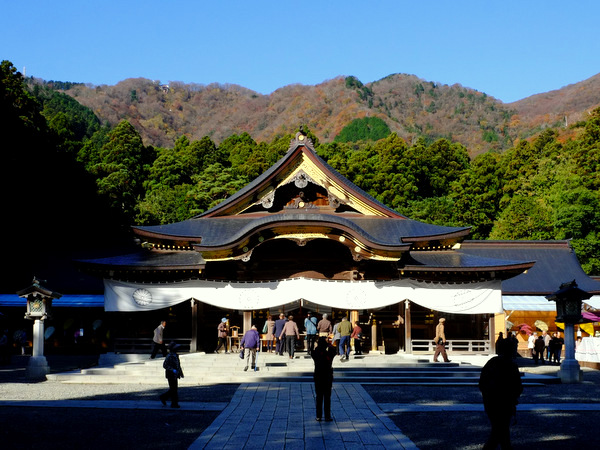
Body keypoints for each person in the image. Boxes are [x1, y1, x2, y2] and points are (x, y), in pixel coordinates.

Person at [478, 344, 523, 449]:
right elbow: (517, 386)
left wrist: (486, 394)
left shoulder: (491, 363)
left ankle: (505, 446)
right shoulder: (511, 366)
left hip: (490, 401)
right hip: (506, 402)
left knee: (499, 428)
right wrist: (514, 397)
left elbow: (482, 383)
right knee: (500, 429)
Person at [312, 336, 337, 422]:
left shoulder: (316, 353)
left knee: (319, 397)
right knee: (327, 397)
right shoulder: (329, 353)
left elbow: (311, 352)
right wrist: (329, 345)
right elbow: (334, 350)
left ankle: (318, 416)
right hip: (327, 376)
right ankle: (327, 416)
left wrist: (315, 345)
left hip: (318, 376)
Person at [160, 341, 184, 408]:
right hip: (170, 374)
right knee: (173, 389)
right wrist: (172, 370)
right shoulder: (170, 356)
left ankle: (164, 397)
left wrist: (180, 373)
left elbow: (178, 365)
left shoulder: (175, 355)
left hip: (175, 374)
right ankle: (174, 403)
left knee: (173, 389)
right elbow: (165, 365)